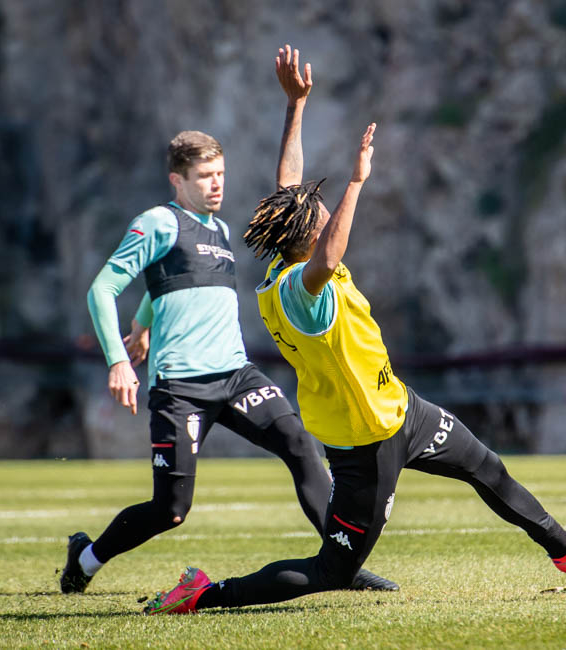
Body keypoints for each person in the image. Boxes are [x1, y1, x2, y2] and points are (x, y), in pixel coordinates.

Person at [142, 47, 566, 615]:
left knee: (484, 465)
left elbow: (289, 185)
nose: (323, 214)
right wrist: (356, 181)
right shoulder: (300, 290)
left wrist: (295, 106)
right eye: (319, 215)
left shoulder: (288, 261)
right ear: (308, 237)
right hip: (364, 440)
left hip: (399, 409)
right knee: (333, 571)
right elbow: (328, 255)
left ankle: (563, 546)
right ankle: (203, 594)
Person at [59, 45, 396, 594]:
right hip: (182, 387)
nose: (217, 184)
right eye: (205, 176)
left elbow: (169, 284)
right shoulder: (158, 222)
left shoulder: (217, 229)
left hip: (235, 376)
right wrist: (119, 359)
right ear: (177, 180)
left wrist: (144, 323)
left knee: (300, 445)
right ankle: (87, 558)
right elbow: (103, 288)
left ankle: (343, 566)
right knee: (171, 510)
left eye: (220, 174)